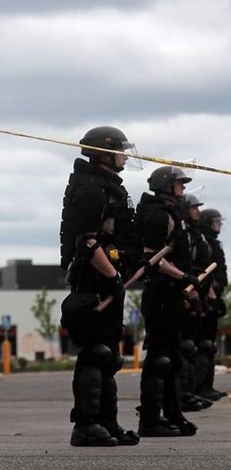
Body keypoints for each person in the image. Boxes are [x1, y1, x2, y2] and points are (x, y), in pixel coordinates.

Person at [59, 125, 141, 447]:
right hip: (94, 278)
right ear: (105, 153)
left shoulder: (108, 187)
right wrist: (111, 277)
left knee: (111, 357)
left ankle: (108, 423)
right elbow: (86, 242)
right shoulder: (91, 189)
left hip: (110, 277)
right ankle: (85, 425)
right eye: (120, 150)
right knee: (96, 352)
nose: (125, 156)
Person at [134, 166, 199, 437]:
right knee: (159, 358)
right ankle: (149, 420)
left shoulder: (174, 214)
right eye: (179, 184)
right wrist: (184, 276)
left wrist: (188, 285)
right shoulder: (158, 215)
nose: (183, 189)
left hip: (172, 293)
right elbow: (153, 259)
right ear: (166, 185)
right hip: (160, 292)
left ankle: (173, 414)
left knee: (172, 358)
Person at [177, 193, 214, 412]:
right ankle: (181, 395)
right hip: (180, 293)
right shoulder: (181, 232)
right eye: (193, 207)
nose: (197, 211)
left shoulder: (193, 233)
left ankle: (190, 392)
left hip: (195, 290)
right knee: (184, 347)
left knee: (197, 346)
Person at [195, 208, 228, 401]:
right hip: (207, 295)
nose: (219, 226)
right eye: (215, 222)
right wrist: (211, 295)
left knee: (210, 345)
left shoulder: (213, 242)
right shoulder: (204, 241)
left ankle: (207, 386)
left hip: (215, 294)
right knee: (203, 345)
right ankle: (199, 387)